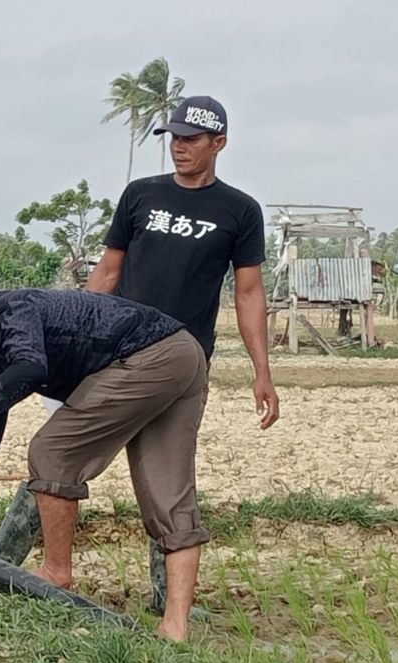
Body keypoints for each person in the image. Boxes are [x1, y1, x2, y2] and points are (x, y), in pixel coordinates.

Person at [0, 273, 210, 641]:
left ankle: (57, 572)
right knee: (167, 493)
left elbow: (29, 368)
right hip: (184, 353)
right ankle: (175, 628)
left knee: (51, 451)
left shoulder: (9, 309)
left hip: (147, 354)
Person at [86, 95, 280, 429]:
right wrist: (80, 337)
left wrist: (262, 372)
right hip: (122, 350)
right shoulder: (140, 195)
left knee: (166, 473)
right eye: (175, 138)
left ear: (218, 143)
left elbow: (248, 294)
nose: (179, 147)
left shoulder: (241, 210)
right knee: (70, 450)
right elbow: (108, 270)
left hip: (185, 358)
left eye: (190, 139)